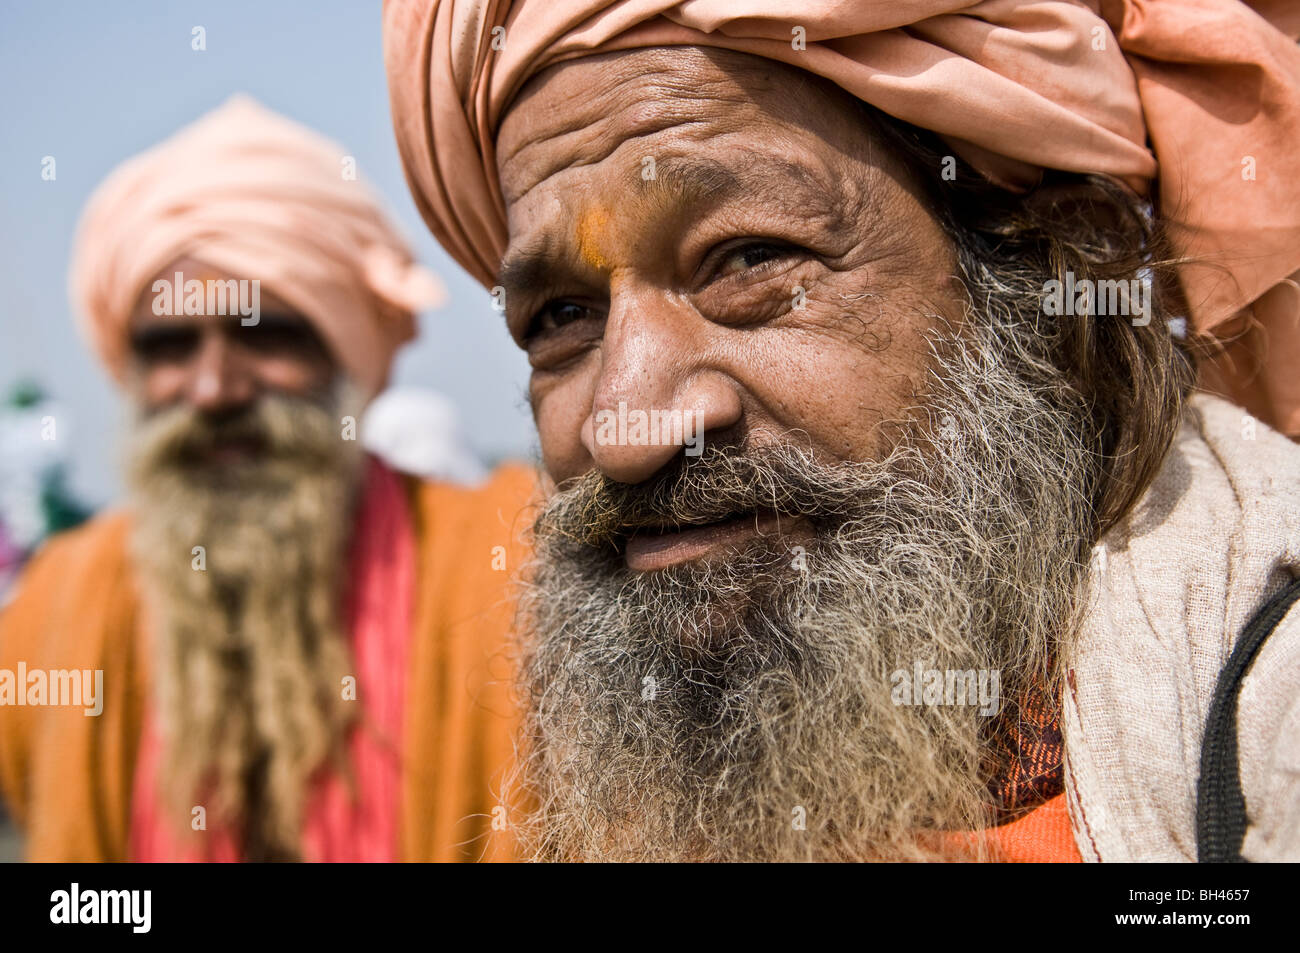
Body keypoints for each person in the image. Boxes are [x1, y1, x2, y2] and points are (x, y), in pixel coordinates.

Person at [383, 0, 1300, 861]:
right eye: (563, 316)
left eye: (750, 258)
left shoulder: (1263, 703)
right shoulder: (595, 775)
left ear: (1040, 273)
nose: (625, 431)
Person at [0, 96, 535, 862]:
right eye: (171, 346)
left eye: (260, 332)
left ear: (342, 356)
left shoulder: (501, 570)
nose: (213, 388)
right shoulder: (58, 610)